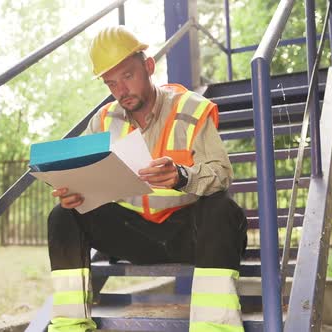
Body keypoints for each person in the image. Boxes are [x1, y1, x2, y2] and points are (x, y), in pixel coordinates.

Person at [46, 26, 248, 332]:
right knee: (63, 214)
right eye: (111, 83)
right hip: (131, 235)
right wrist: (76, 194)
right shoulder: (102, 122)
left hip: (188, 234)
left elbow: (221, 175)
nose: (121, 90)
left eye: (128, 76)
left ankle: (214, 327)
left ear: (149, 66)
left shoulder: (190, 110)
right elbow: (86, 179)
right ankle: (70, 326)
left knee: (223, 209)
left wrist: (182, 176)